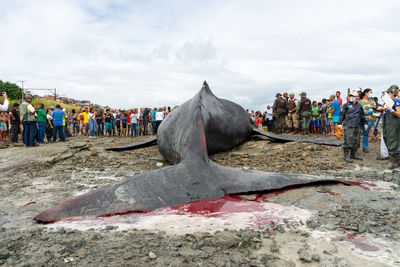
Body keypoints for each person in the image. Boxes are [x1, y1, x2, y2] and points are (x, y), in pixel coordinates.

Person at [339, 89, 367, 163]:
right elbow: (342, 115)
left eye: (353, 96)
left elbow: (362, 115)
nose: (352, 97)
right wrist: (339, 123)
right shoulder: (346, 105)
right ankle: (346, 156)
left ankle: (353, 154)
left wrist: (365, 123)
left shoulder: (359, 106)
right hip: (348, 125)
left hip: (357, 125)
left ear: (356, 97)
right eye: (351, 96)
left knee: (356, 141)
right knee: (348, 140)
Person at [382, 85, 400, 169]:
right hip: (388, 123)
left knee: (393, 140)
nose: (388, 94)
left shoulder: (396, 101)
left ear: (393, 93)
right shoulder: (388, 102)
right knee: (387, 138)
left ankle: (394, 162)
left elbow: (399, 114)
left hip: (394, 123)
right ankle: (396, 161)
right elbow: (383, 109)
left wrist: (392, 110)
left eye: (389, 93)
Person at [359, 88, 376, 153]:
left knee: (366, 133)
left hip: (369, 119)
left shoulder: (372, 101)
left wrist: (374, 108)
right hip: (360, 119)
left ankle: (365, 147)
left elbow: (375, 109)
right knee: (357, 133)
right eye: (370, 92)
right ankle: (355, 146)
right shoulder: (359, 101)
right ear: (366, 93)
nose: (371, 94)